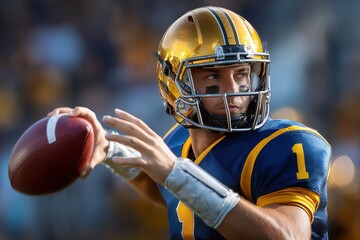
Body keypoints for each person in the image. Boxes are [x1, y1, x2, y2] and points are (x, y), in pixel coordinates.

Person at [48, 6, 331, 240]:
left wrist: (176, 174)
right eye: (213, 77)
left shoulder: (286, 144)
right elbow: (166, 189)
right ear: (175, 84)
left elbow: (289, 235)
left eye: (242, 73)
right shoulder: (179, 141)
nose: (233, 90)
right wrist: (107, 147)